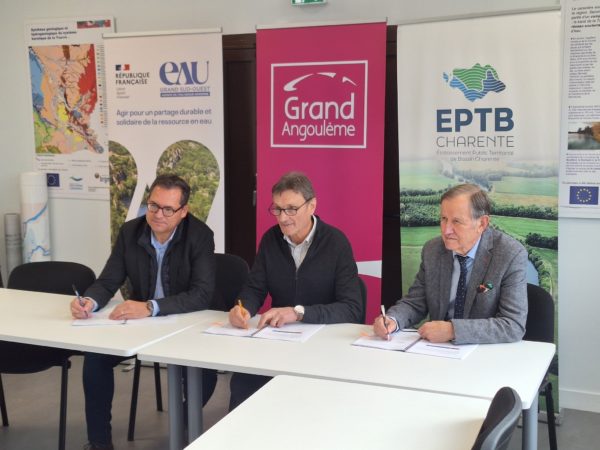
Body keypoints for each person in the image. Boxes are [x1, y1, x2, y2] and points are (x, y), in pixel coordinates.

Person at [70, 174, 217, 450]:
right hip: (139, 326)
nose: (158, 214)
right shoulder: (130, 232)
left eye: (168, 209)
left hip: (183, 322)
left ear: (183, 211)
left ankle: (181, 425)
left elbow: (201, 294)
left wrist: (151, 307)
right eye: (153, 205)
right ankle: (99, 442)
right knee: (95, 359)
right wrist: (89, 301)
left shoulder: (200, 236)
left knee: (205, 373)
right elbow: (108, 280)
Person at [228, 171, 363, 409]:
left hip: (324, 345)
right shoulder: (270, 239)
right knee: (243, 382)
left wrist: (298, 312)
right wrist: (243, 308)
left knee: (303, 398)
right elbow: (254, 288)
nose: (283, 218)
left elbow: (351, 308)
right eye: (278, 209)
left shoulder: (336, 243)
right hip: (280, 340)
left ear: (312, 206)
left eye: (291, 209)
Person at [374, 183, 527, 344]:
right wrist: (393, 319)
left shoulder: (510, 254)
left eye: (456, 221)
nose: (446, 230)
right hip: (437, 349)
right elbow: (416, 302)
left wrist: (453, 330)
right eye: (444, 219)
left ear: (482, 224)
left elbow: (513, 325)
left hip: (483, 351)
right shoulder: (433, 250)